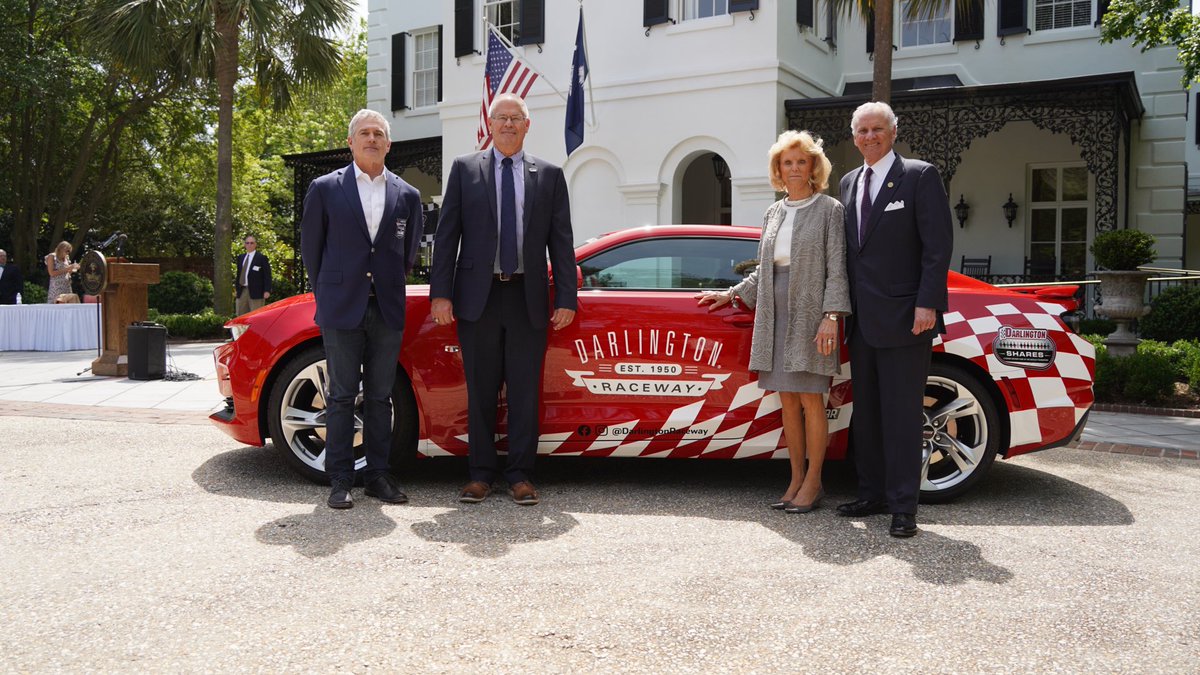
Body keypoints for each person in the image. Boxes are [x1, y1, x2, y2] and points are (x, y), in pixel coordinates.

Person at [430, 93, 578, 506]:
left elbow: (561, 241)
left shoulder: (549, 175)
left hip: (527, 296)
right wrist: (440, 294)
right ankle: (480, 474)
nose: (508, 124)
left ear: (527, 126)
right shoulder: (465, 169)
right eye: (502, 117)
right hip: (478, 297)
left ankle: (520, 474)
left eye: (516, 118)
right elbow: (447, 236)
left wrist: (567, 296)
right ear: (490, 124)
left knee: (524, 391)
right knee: (480, 388)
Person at [697, 131, 850, 514]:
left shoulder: (830, 209)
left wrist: (831, 316)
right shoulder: (773, 213)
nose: (794, 168)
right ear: (778, 169)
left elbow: (837, 268)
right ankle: (795, 479)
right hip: (775, 315)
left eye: (801, 161)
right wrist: (732, 294)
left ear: (813, 166)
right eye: (787, 162)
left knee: (811, 399)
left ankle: (814, 482)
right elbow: (765, 269)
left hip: (811, 314)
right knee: (788, 401)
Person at [837, 101, 952, 538]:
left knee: (902, 417)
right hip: (861, 321)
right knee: (867, 415)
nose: (870, 136)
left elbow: (937, 246)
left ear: (893, 132)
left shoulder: (919, 176)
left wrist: (928, 303)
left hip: (906, 319)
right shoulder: (848, 182)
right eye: (862, 130)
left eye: (877, 129)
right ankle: (872, 493)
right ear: (854, 137)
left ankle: (904, 507)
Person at [299, 109, 424, 510]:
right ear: (351, 142)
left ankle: (377, 476)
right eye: (364, 133)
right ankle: (340, 479)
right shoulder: (324, 188)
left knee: (380, 396)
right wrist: (329, 293)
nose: (372, 139)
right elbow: (311, 250)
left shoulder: (407, 195)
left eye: (378, 134)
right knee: (340, 396)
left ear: (388, 144)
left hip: (386, 307)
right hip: (341, 307)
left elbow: (407, 253)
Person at [235, 235, 272, 315]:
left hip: (257, 292)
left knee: (256, 315)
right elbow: (238, 274)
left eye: (251, 243)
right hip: (242, 291)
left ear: (255, 244)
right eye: (247, 243)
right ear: (244, 244)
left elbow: (267, 275)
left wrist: (267, 290)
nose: (249, 245)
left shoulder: (261, 258)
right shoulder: (241, 258)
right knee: (240, 315)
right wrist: (237, 289)